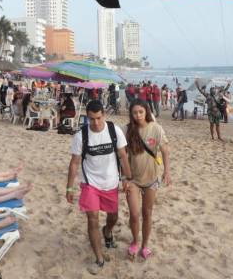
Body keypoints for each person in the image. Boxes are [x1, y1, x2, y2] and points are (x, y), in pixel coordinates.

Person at [66, 100, 131, 275]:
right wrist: (69, 188)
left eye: (98, 118)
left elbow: (123, 156)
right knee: (92, 218)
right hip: (90, 183)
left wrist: (126, 178)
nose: (95, 122)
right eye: (91, 119)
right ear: (87, 117)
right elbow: (74, 164)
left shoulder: (114, 131)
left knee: (113, 217)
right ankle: (99, 258)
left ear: (104, 115)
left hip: (111, 182)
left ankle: (107, 231)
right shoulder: (81, 136)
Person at [124, 100, 170, 261]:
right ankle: (135, 241)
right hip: (133, 180)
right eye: (135, 112)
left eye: (141, 112)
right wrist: (124, 177)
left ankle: (145, 245)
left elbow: (165, 150)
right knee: (135, 214)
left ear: (146, 112)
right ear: (131, 114)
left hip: (151, 179)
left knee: (147, 213)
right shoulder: (127, 130)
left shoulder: (156, 129)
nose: (138, 115)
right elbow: (121, 155)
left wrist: (167, 172)